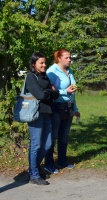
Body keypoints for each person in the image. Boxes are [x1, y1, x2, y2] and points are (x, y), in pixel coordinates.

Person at [25, 52, 60, 185]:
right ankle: (34, 174)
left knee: (47, 144)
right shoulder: (31, 77)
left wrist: (50, 92)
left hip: (47, 112)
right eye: (41, 63)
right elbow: (40, 95)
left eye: (45, 63)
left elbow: (55, 94)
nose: (44, 65)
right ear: (34, 64)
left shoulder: (44, 76)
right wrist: (50, 92)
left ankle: (34, 169)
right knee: (36, 144)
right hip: (35, 114)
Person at [44, 49, 80, 173]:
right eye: (67, 58)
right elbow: (49, 91)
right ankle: (48, 163)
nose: (70, 60)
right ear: (59, 58)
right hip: (56, 107)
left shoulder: (69, 71)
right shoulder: (51, 72)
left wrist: (75, 109)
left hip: (68, 107)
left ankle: (62, 160)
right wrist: (65, 91)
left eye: (70, 57)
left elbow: (73, 91)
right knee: (52, 137)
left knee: (64, 136)